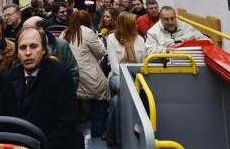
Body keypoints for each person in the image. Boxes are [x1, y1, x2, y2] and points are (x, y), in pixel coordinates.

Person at [2, 27, 81, 149]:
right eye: (23, 48)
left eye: (33, 46)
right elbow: (5, 121)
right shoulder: (9, 77)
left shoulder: (60, 75)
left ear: (44, 49)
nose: (28, 53)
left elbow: (66, 123)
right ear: (17, 52)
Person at [61, 10, 109, 138]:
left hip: (69, 79)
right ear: (88, 20)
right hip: (88, 76)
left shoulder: (65, 33)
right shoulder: (87, 32)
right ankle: (97, 130)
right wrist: (99, 40)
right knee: (103, 91)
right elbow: (100, 52)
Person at [106, 11, 146, 146]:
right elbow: (114, 66)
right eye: (134, 23)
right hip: (118, 76)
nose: (137, 25)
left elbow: (144, 62)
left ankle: (117, 139)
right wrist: (129, 82)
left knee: (117, 101)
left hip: (136, 76)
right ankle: (133, 128)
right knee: (126, 90)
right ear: (126, 25)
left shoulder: (140, 39)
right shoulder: (112, 38)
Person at [23, 16, 79, 90]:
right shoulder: (25, 48)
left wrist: (63, 92)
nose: (25, 34)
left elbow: (73, 73)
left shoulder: (61, 45)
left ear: (41, 30)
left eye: (29, 31)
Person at [145, 6, 211, 55]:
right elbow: (150, 51)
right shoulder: (152, 32)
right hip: (165, 66)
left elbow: (206, 41)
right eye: (166, 19)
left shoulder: (186, 27)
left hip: (189, 62)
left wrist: (191, 45)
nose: (170, 22)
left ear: (175, 17)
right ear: (160, 19)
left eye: (172, 18)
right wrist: (166, 50)